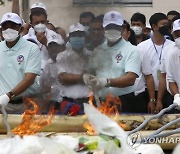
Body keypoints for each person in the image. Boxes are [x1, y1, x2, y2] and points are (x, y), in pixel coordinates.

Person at [83, 11, 141, 113]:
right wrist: (87, 77)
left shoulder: (131, 50)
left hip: (123, 101)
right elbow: (90, 70)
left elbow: (130, 79)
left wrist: (107, 82)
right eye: (109, 27)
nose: (112, 30)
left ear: (122, 28)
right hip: (101, 101)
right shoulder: (98, 50)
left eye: (116, 27)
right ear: (104, 28)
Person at [0, 13, 41, 113]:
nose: (8, 29)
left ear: (21, 29)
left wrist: (8, 96)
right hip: (3, 106)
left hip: (26, 104)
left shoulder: (32, 48)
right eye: (5, 27)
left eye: (13, 26)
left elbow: (29, 79)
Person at [138, 13, 173, 113]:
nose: (166, 26)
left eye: (167, 24)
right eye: (163, 24)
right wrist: (152, 99)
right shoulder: (142, 47)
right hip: (147, 93)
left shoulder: (172, 46)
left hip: (168, 93)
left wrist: (159, 100)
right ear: (154, 26)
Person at [56, 23, 91, 115]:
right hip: (68, 102)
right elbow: (63, 78)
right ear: (69, 38)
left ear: (85, 37)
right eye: (74, 35)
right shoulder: (62, 56)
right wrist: (84, 77)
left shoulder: (91, 56)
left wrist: (72, 77)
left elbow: (94, 77)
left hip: (87, 102)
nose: (77, 38)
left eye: (80, 35)